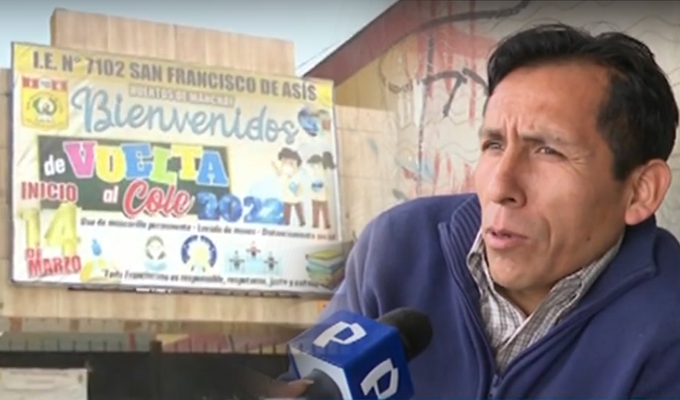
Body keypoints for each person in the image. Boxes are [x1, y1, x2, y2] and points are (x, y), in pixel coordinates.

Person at [268, 23, 680, 399]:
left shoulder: (668, 323)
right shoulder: (396, 248)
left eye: (548, 151)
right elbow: (305, 383)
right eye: (494, 145)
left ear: (640, 192)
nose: (500, 187)